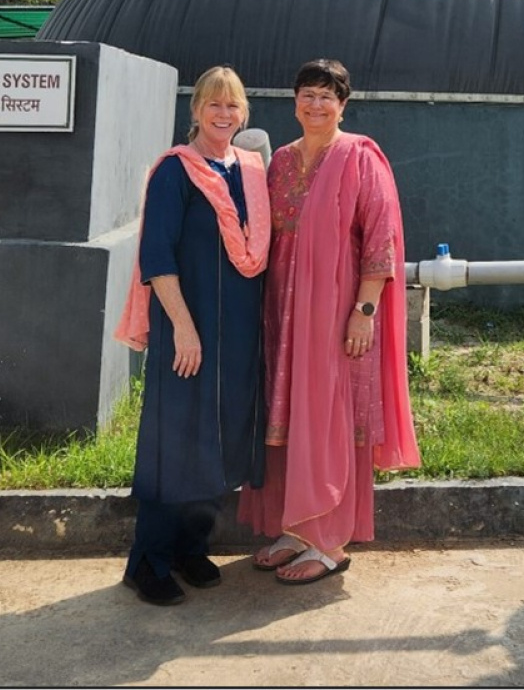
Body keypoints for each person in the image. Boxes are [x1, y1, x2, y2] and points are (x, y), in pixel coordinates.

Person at [239, 58, 420, 585]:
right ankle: (296, 529)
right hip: (282, 310)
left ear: (343, 104)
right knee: (289, 413)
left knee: (329, 413)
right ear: (294, 101)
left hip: (336, 310)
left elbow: (381, 242)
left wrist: (364, 312)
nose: (315, 104)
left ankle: (330, 543)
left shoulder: (359, 157)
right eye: (307, 94)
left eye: (327, 96)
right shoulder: (279, 163)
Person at [114, 65, 271, 606]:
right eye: (214, 105)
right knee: (174, 443)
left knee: (220, 441)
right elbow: (157, 258)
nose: (224, 115)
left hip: (239, 337)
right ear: (196, 111)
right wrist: (182, 327)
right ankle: (148, 561)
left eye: (233, 106)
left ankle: (190, 547)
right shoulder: (175, 173)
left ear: (244, 113)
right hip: (189, 330)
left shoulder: (251, 171)